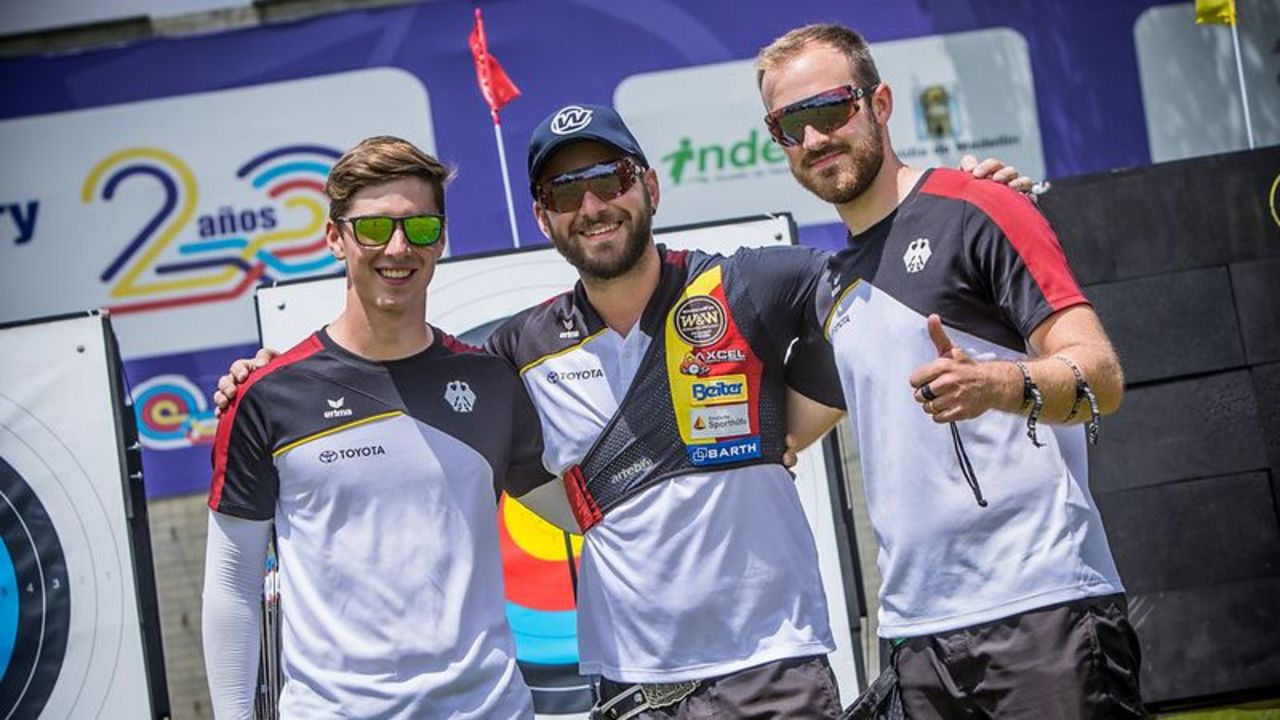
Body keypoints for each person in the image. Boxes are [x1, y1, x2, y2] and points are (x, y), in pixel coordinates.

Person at [213, 111, 1031, 718]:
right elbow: (404, 392)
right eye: (566, 191)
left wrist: (958, 202)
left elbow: (875, 287)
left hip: (773, 672)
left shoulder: (753, 284)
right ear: (542, 217)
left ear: (650, 186)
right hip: (631, 690)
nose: (593, 204)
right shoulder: (510, 355)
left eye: (610, 180)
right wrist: (257, 381)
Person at [757, 24, 1145, 718]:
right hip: (916, 639)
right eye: (792, 125)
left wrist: (996, 385)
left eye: (831, 110)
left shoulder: (982, 206)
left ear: (879, 104)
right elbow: (777, 435)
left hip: (1043, 609)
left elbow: (1101, 378)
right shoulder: (832, 286)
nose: (815, 139)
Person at [202, 136, 545, 719]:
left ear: (440, 240)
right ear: (334, 237)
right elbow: (232, 587)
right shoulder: (265, 396)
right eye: (373, 228)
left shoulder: (491, 383)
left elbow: (579, 509)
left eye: (419, 229)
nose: (397, 248)